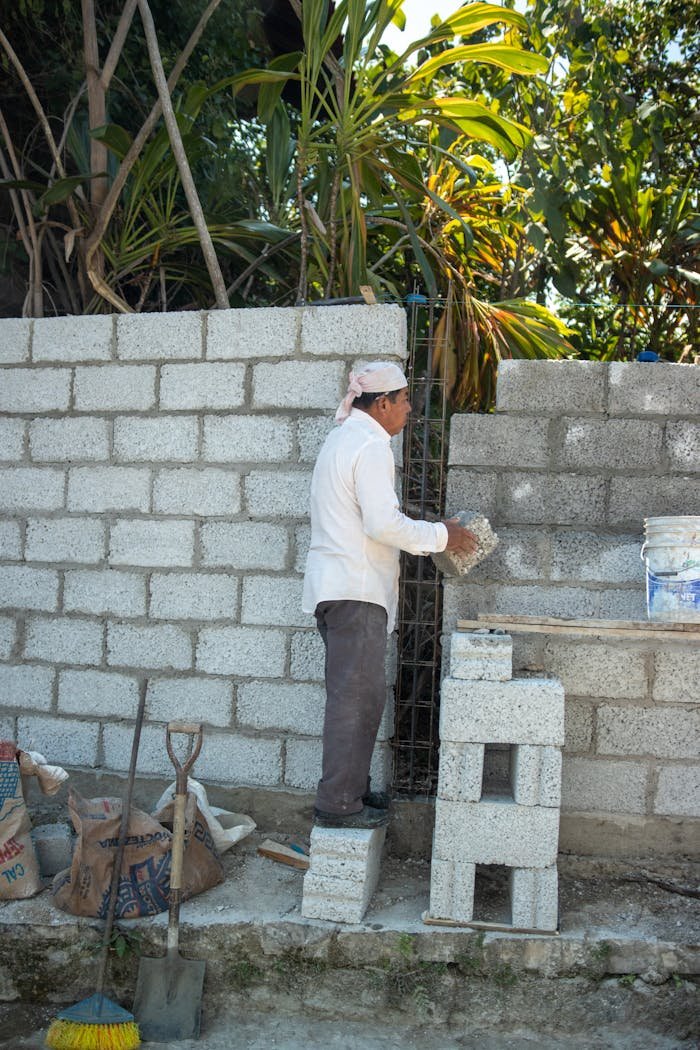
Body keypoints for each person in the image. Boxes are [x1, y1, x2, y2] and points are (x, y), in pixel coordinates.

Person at [302, 362, 478, 828]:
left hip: (340, 589)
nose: (408, 412)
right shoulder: (370, 446)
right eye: (403, 402)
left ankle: (351, 794)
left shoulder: (343, 439)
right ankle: (338, 805)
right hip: (354, 592)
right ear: (381, 403)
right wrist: (444, 535)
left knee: (362, 696)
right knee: (354, 700)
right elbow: (383, 525)